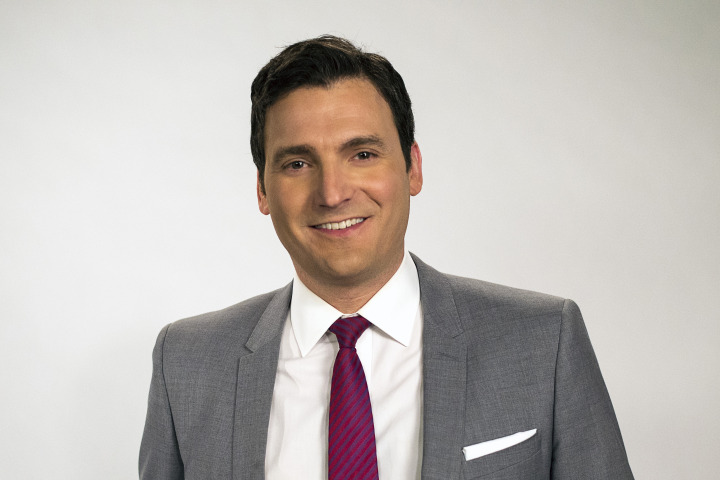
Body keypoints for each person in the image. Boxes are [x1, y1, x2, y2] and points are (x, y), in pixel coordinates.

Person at [139, 35, 634, 480]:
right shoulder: (186, 362)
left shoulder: (543, 342)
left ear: (412, 168)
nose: (332, 193)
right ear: (262, 190)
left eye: (362, 154)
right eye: (297, 163)